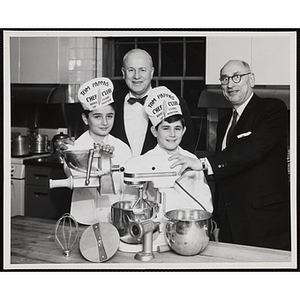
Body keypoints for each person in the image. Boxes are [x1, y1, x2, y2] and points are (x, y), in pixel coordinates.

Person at [169, 60, 290, 250]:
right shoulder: (224, 122)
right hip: (230, 225)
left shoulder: (272, 109)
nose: (230, 84)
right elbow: (224, 176)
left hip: (264, 224)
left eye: (236, 77)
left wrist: (203, 163)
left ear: (251, 79)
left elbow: (253, 149)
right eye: (225, 79)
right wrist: (218, 222)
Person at [65, 77, 134, 225]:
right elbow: (72, 174)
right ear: (85, 118)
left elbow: (128, 191)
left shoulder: (122, 148)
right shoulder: (75, 147)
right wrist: (98, 158)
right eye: (97, 117)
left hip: (113, 221)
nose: (104, 122)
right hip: (83, 221)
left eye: (109, 116)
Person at [111, 48, 195, 156]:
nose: (137, 76)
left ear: (151, 72)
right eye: (131, 70)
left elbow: (187, 151)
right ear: (123, 73)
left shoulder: (175, 103)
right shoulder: (113, 106)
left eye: (142, 70)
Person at [142, 86, 212, 213]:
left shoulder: (192, 159)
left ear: (184, 131)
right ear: (154, 131)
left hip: (188, 225)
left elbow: (204, 199)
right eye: (166, 128)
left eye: (177, 128)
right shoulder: (145, 160)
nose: (172, 134)